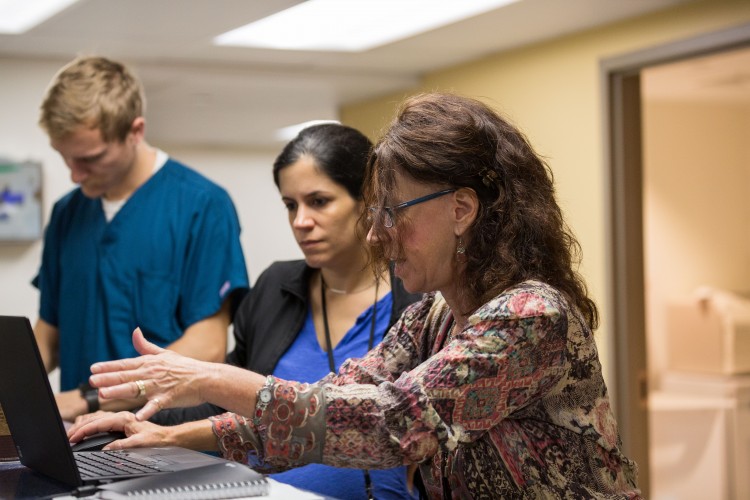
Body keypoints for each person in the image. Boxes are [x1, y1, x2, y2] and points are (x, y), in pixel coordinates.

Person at [70, 93, 641, 499]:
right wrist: (176, 435)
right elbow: (333, 402)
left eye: (393, 213)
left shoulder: (529, 317)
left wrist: (207, 378)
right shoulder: (436, 314)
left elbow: (389, 424)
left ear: (462, 210)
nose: (375, 235)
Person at [76, 123, 422, 499]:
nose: (301, 222)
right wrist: (140, 422)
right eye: (291, 205)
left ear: (368, 201)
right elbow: (221, 402)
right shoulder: (276, 286)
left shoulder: (418, 300)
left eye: (319, 201)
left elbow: (377, 420)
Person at [33, 56, 249, 421]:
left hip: (164, 436)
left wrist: (88, 398)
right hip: (79, 437)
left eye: (90, 159)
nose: (74, 174)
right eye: (65, 158)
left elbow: (208, 347)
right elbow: (48, 335)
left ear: (135, 131)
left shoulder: (202, 205)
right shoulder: (67, 214)